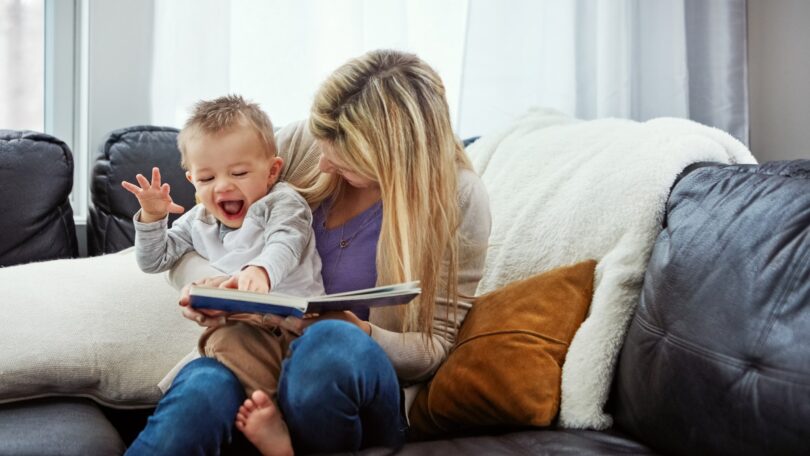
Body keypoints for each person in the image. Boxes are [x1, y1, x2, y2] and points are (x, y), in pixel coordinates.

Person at [125, 49, 491, 456]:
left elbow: (435, 347)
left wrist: (361, 330)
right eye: (323, 145)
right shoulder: (304, 141)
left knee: (328, 343)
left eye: (345, 159)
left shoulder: (456, 198)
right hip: (259, 349)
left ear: (391, 156)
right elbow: (200, 230)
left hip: (352, 376)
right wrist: (215, 290)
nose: (325, 165)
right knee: (203, 389)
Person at [121, 94, 325, 414]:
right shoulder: (197, 221)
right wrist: (152, 218)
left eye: (239, 173)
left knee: (226, 344)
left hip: (298, 328)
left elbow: (287, 240)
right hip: (244, 331)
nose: (223, 187)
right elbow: (153, 260)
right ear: (192, 181)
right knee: (220, 343)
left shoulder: (282, 202)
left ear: (272, 172)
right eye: (207, 178)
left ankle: (277, 419)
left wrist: (260, 270)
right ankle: (269, 417)